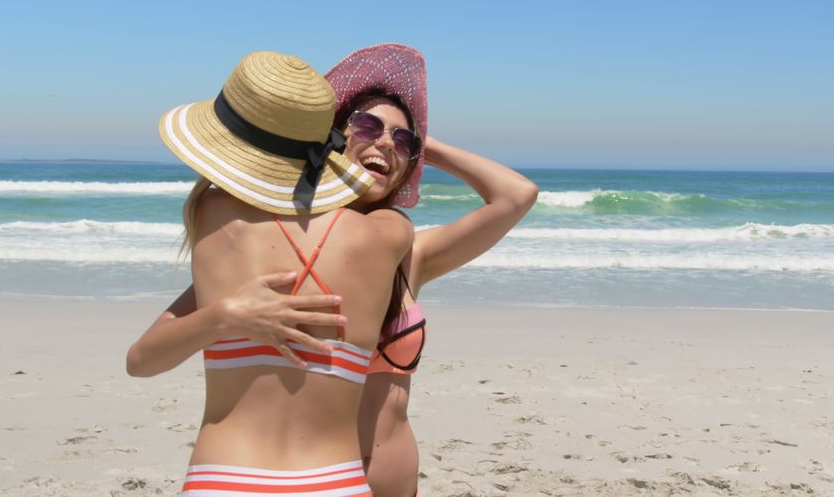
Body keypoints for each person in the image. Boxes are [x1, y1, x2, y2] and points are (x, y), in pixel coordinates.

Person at [129, 44, 538, 495]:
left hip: (381, 478)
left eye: (404, 141)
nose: (386, 142)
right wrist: (227, 314)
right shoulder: (264, 241)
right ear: (331, 139)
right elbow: (143, 358)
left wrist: (419, 144)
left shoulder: (406, 252)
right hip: (332, 476)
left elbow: (516, 195)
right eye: (367, 126)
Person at [129, 50, 412, 496]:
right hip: (335, 482)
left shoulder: (211, 212)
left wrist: (224, 316)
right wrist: (407, 142)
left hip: (222, 478)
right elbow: (513, 196)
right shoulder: (390, 235)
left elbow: (140, 363)